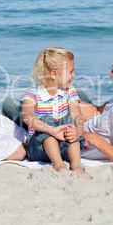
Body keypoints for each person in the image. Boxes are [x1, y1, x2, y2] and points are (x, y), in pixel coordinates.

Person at [22, 46, 89, 179]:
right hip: (39, 149)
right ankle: (59, 165)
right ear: (54, 74)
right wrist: (51, 130)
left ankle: (76, 165)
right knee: (46, 120)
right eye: (70, 72)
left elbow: (78, 115)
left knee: (69, 121)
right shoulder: (33, 93)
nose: (73, 75)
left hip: (64, 147)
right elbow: (27, 116)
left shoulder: (69, 91)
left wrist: (78, 130)